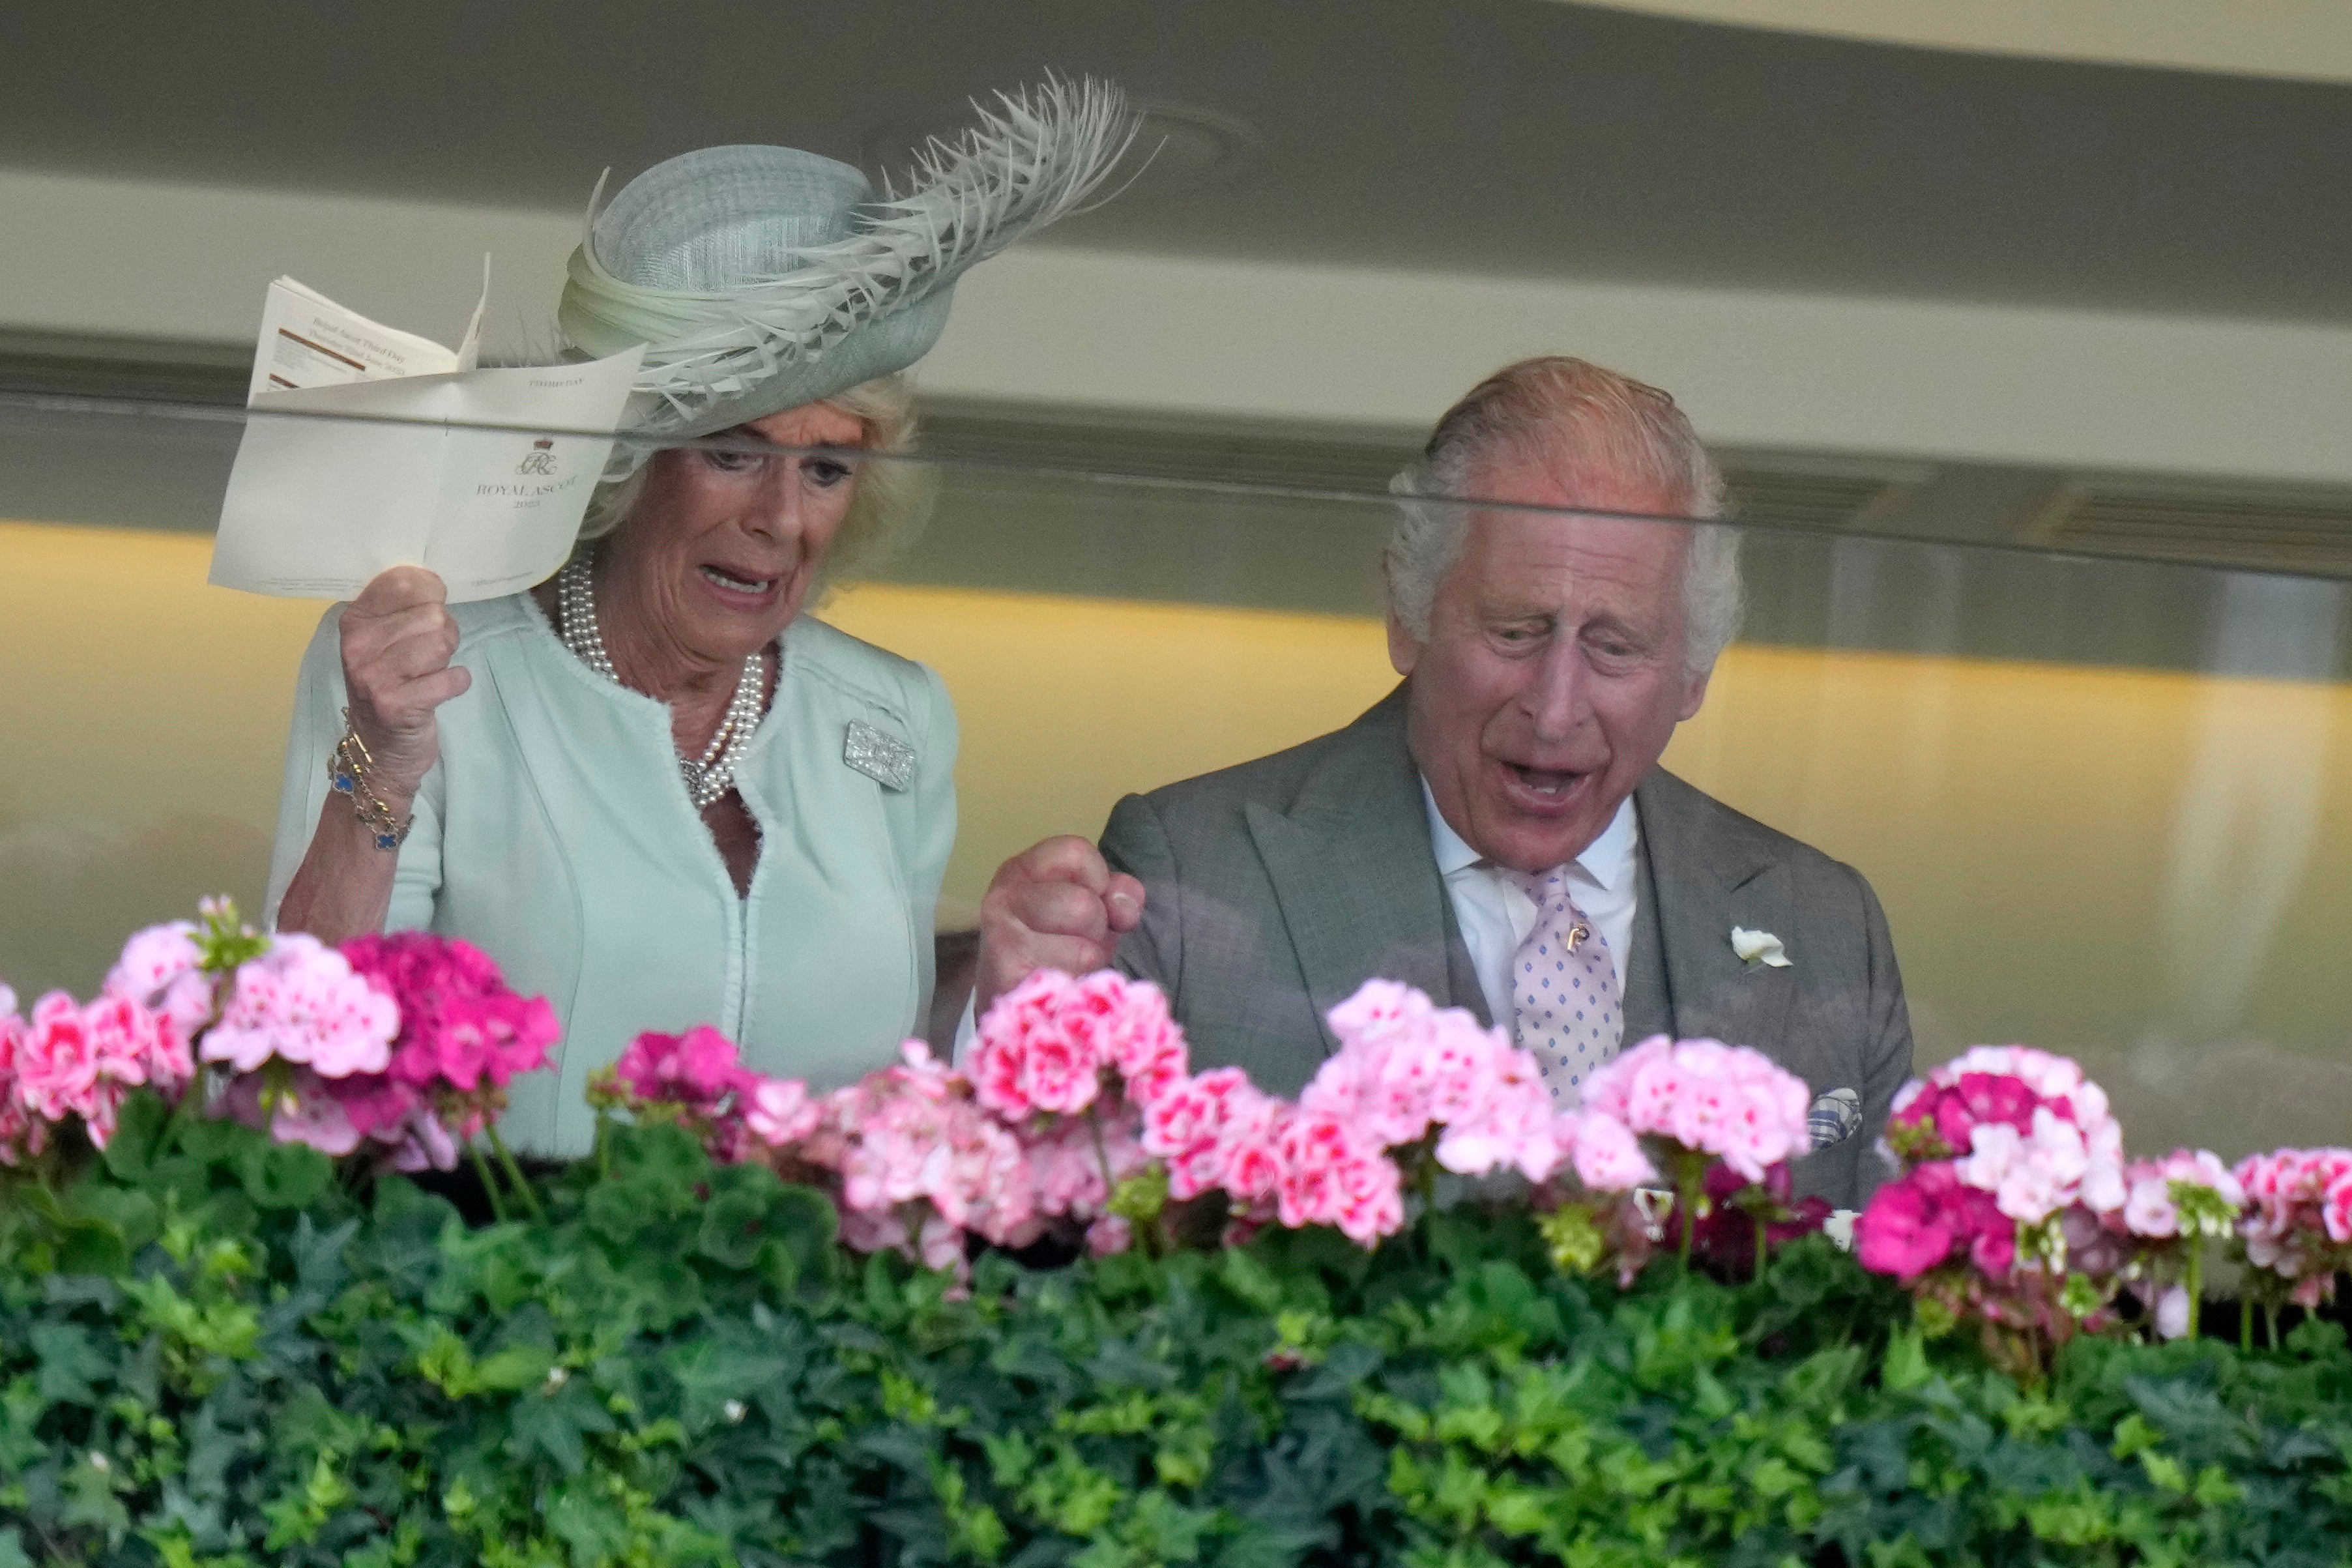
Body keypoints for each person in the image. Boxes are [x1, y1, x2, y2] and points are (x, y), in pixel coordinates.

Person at [266, 80, 1136, 1154]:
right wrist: (383, 772)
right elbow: (299, 1068)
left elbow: (892, 1097)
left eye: (825, 469)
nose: (779, 519)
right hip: (502, 1294)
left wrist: (996, 990)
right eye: (735, 454)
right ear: (628, 462)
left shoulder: (895, 716)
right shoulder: (431, 678)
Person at [969, 357, 1913, 1207]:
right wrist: (1010, 1037)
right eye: (1513, 630)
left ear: (1695, 671)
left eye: (1614, 646)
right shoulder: (1188, 871)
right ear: (1406, 615)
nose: (1554, 707)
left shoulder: (1824, 923)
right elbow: (1037, 1237)